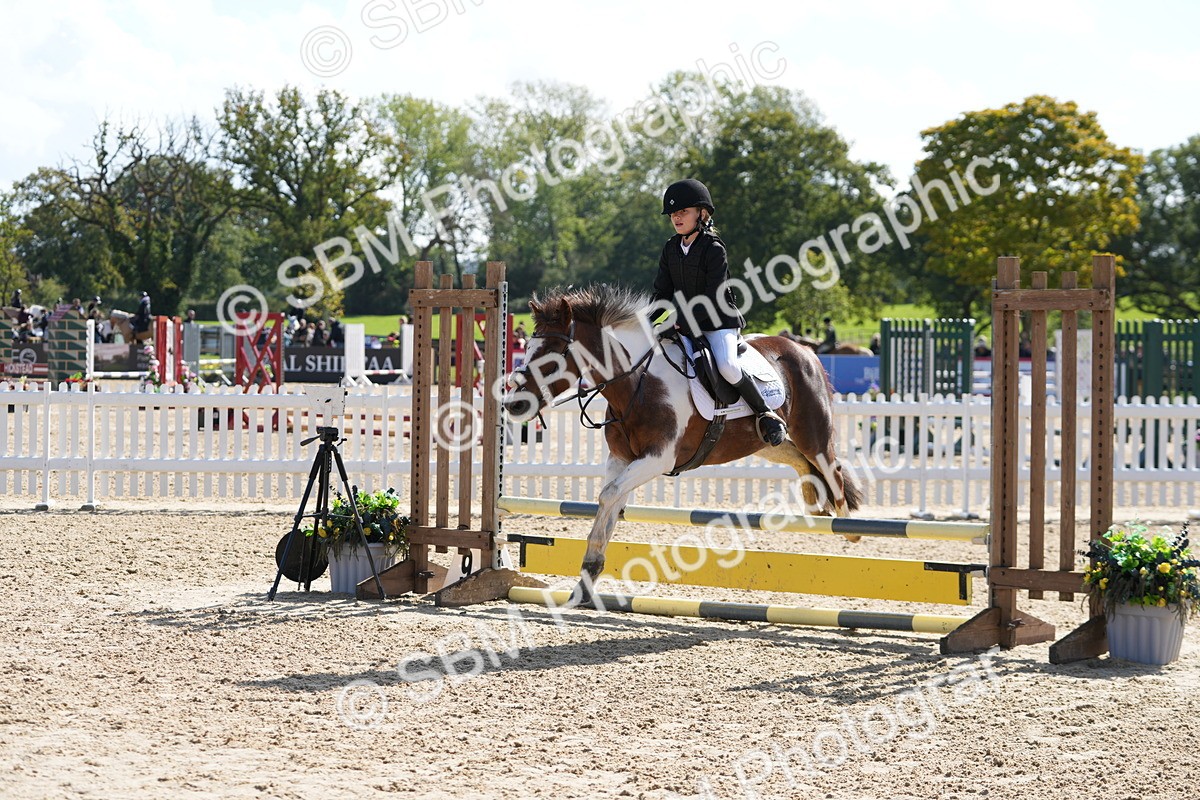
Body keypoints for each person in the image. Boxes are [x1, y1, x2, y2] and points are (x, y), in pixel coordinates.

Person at [649, 179, 785, 446]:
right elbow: (661, 293)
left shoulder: (713, 248)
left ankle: (766, 414)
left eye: (683, 212)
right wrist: (644, 322)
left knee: (727, 365)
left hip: (718, 322)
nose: (676, 217)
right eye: (673, 214)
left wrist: (679, 323)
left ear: (702, 214)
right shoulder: (670, 248)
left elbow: (713, 296)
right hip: (685, 322)